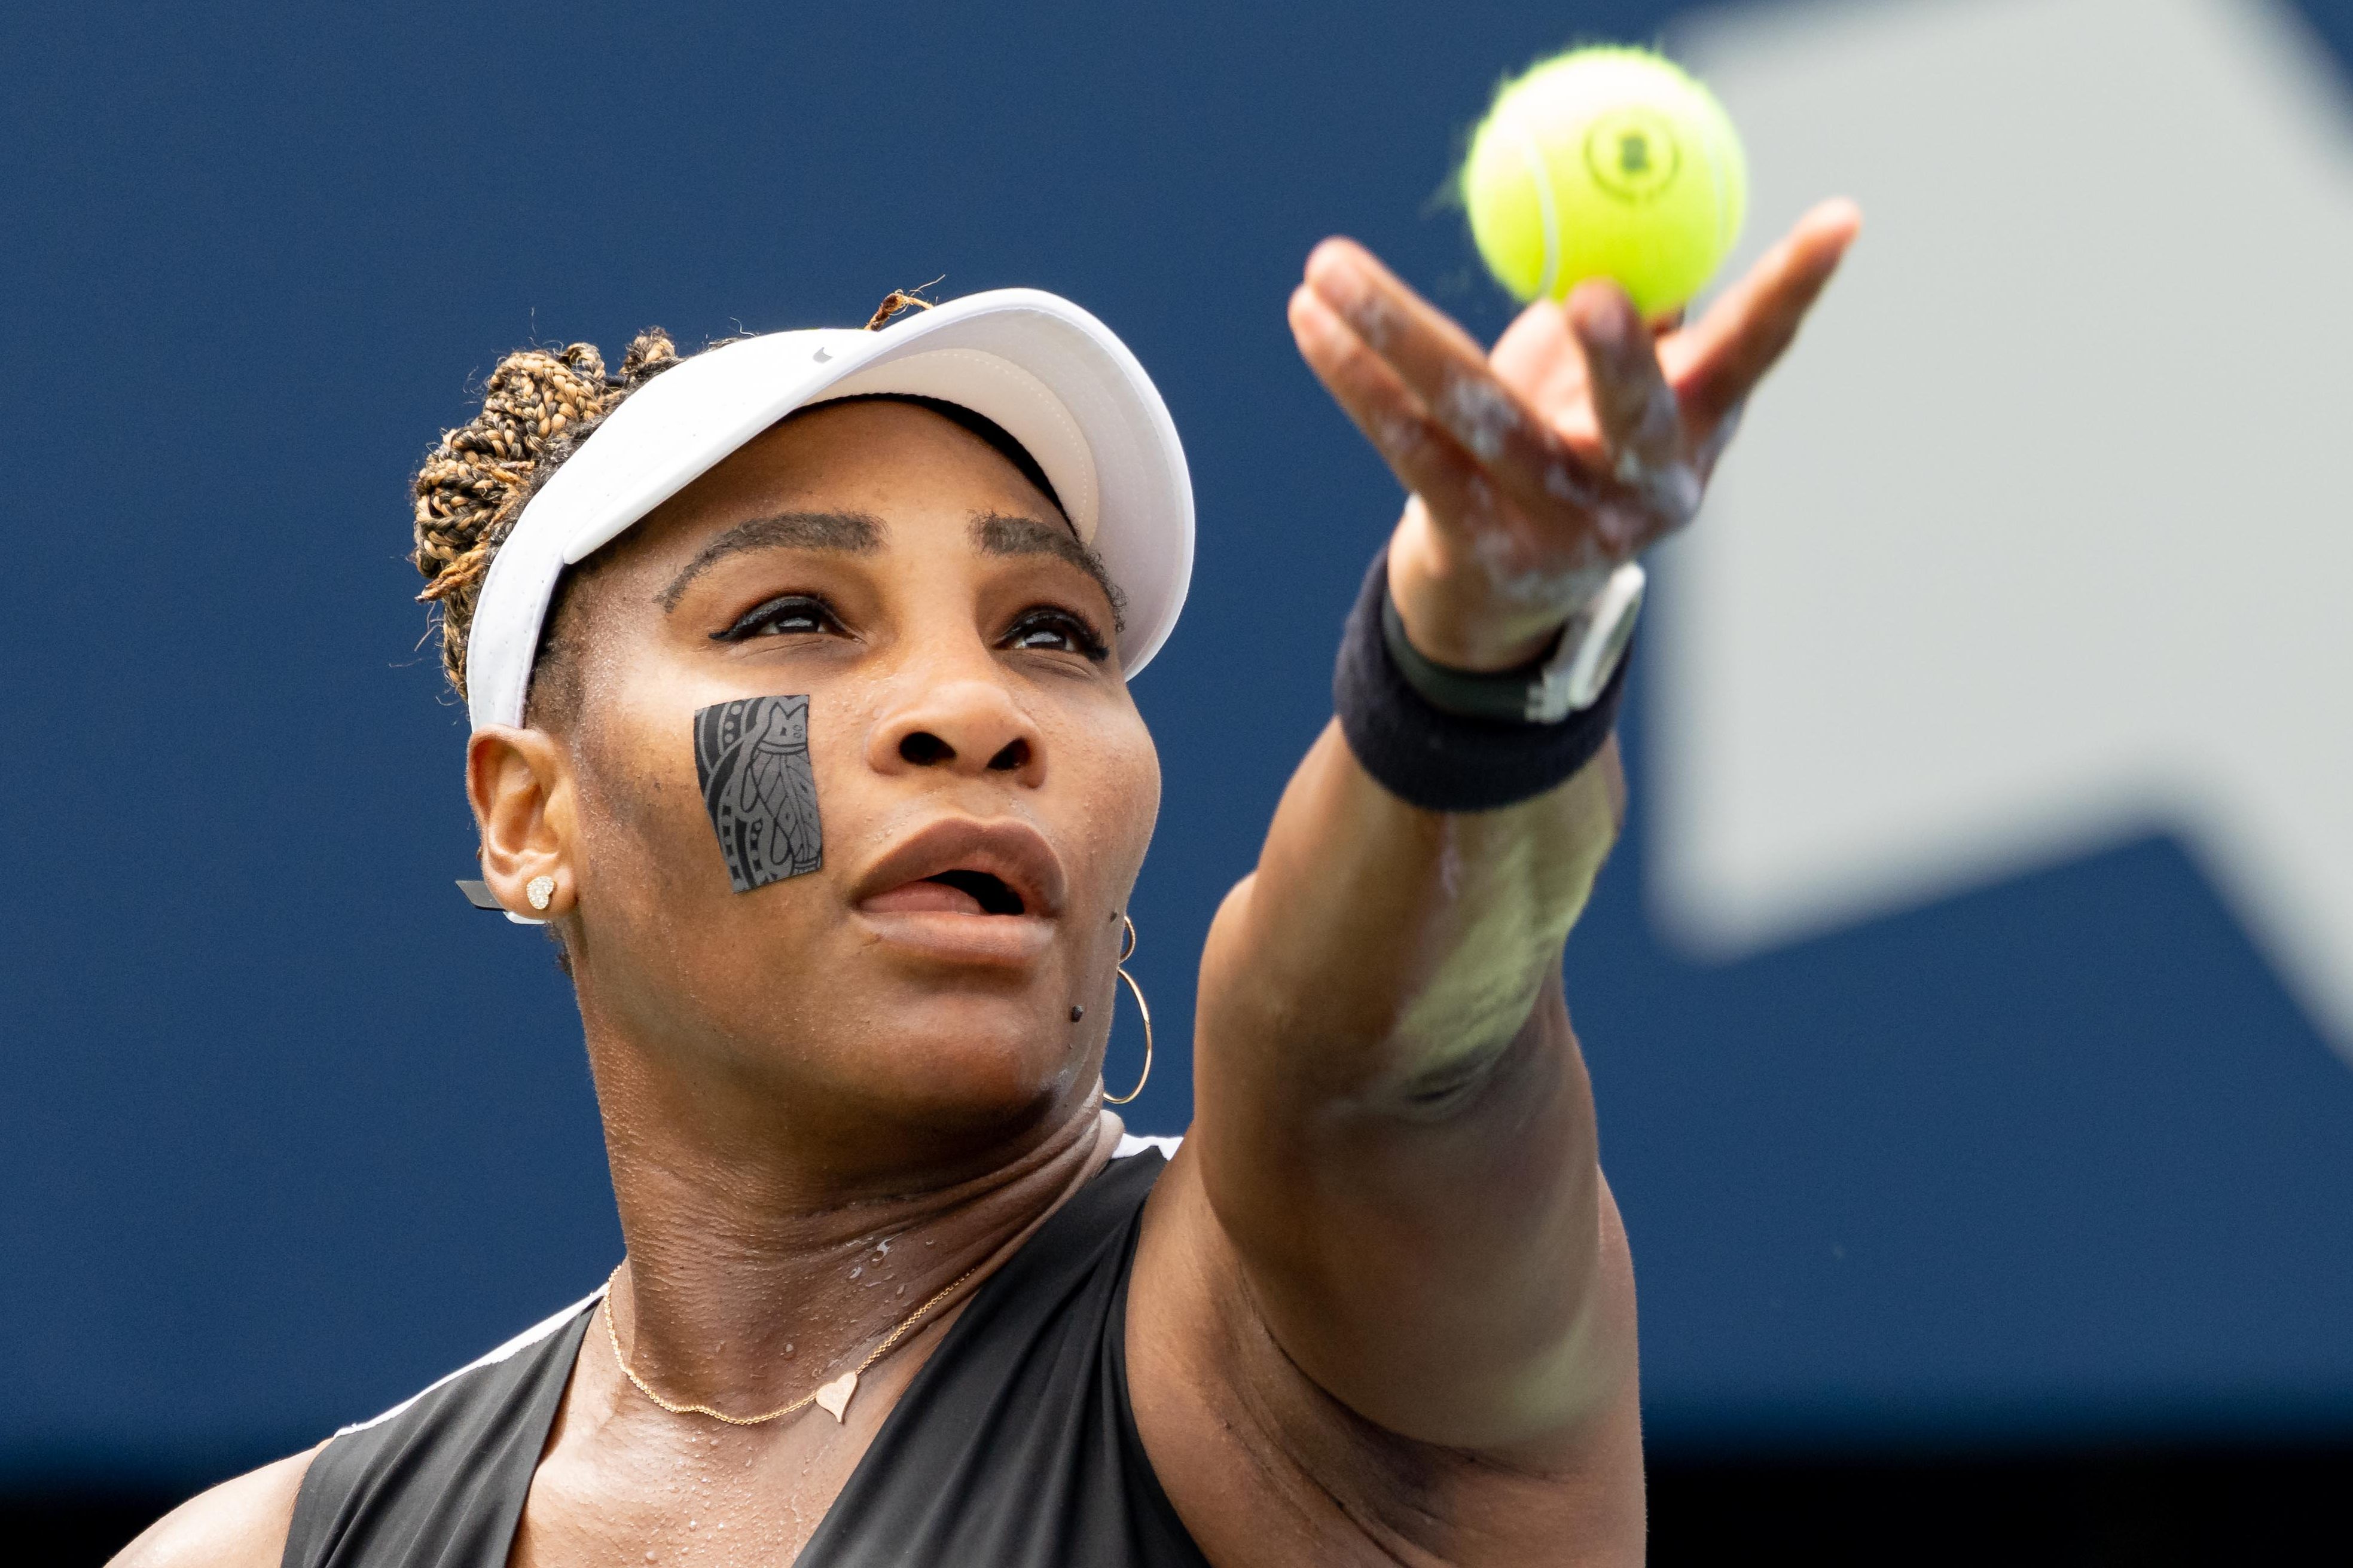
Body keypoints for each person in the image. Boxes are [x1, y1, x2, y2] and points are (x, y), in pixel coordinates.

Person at [116, 199, 1857, 1567]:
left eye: (1053, 636)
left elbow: (1376, 1056)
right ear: (530, 818)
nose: (974, 710)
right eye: (794, 615)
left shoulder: (1296, 1366)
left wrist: (1477, 657)